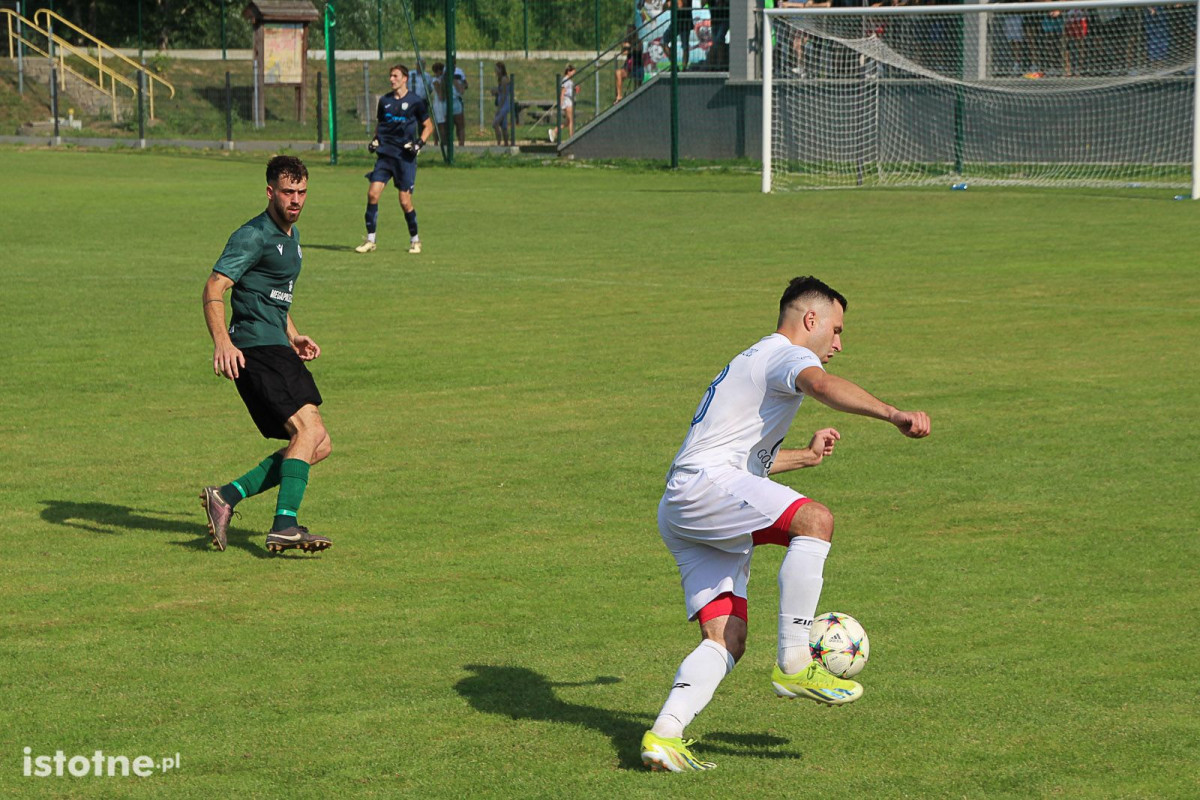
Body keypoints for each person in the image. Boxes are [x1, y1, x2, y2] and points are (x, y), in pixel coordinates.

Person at [640, 276, 931, 772]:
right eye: (836, 330)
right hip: (704, 488)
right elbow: (821, 386)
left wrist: (805, 457)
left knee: (727, 638)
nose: (838, 344)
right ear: (810, 319)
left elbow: (743, 464)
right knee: (815, 520)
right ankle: (796, 662)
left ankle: (663, 736)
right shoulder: (784, 354)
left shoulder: (752, 360)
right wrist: (892, 414)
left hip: (684, 503)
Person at [200, 156, 333, 555]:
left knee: (319, 444)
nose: (296, 200)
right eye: (288, 192)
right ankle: (285, 524)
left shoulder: (291, 236)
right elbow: (214, 287)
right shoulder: (253, 235)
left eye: (302, 192)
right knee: (308, 430)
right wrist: (222, 342)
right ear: (270, 191)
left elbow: (273, 295)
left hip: (276, 345)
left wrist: (292, 334)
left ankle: (225, 496)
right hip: (255, 349)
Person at [355, 64, 434, 256]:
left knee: (404, 201)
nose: (392, 79)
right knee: (372, 194)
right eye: (390, 76)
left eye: (395, 76)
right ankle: (370, 240)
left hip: (404, 158)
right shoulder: (385, 101)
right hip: (385, 156)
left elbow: (428, 126)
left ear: (404, 78)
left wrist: (418, 144)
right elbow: (380, 125)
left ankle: (415, 240)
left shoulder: (415, 101)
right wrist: (375, 140)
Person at [491, 61, 513, 145]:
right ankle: (506, 143)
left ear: (500, 69)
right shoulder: (501, 80)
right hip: (502, 104)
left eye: (496, 69)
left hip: (504, 105)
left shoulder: (504, 79)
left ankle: (499, 142)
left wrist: (499, 109)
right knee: (504, 127)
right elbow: (501, 92)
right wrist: (496, 92)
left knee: (495, 123)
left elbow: (504, 95)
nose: (495, 71)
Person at [557, 64, 577, 142]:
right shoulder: (565, 80)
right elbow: (563, 91)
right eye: (573, 72)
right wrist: (561, 102)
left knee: (568, 121)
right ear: (568, 71)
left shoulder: (569, 80)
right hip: (567, 100)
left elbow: (570, 90)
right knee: (571, 120)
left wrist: (575, 89)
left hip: (569, 100)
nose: (574, 74)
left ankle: (555, 131)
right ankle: (572, 137)